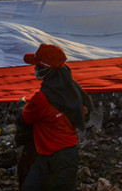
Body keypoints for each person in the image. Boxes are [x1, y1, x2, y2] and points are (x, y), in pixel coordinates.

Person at [20, 44, 92, 191]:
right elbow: (83, 112)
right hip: (63, 155)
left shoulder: (41, 99)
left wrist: (21, 104)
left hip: (55, 156)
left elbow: (25, 118)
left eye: (37, 66)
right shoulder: (73, 90)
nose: (35, 69)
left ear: (45, 70)